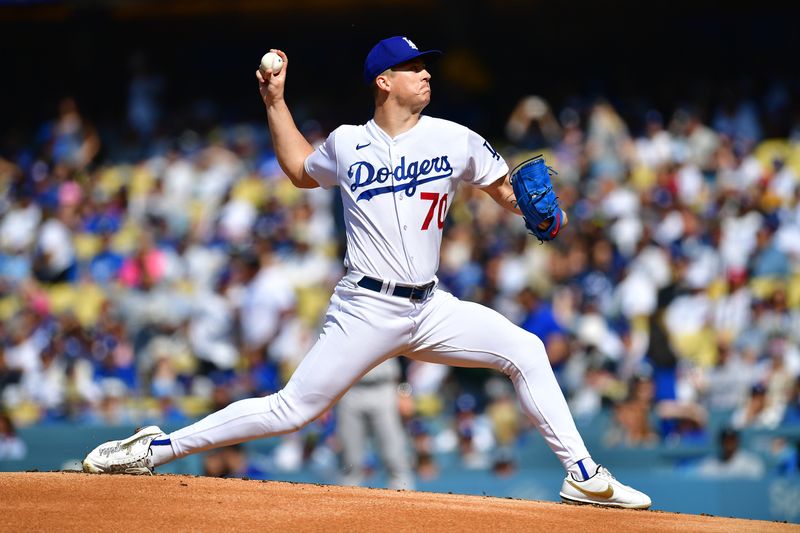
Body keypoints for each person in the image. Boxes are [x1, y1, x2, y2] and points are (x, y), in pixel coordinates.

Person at [83, 36, 651, 509]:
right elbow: (302, 171)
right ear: (384, 81)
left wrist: (538, 208)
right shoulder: (349, 144)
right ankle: (153, 450)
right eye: (413, 68)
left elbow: (504, 188)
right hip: (366, 306)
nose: (426, 75)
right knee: (291, 410)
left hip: (430, 307)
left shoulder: (452, 137)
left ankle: (583, 473)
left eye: (425, 66)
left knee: (525, 349)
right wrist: (275, 102)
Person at [336, 358, 414, 490]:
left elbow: (403, 352)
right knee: (350, 460)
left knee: (394, 456)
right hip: (349, 389)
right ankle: (346, 504)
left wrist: (404, 390)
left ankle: (405, 500)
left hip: (384, 387)